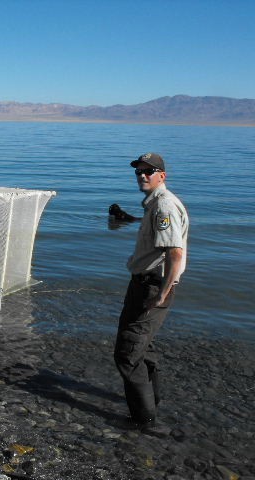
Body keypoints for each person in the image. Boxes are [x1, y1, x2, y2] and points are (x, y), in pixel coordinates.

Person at [114, 153, 189, 433]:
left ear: (162, 175)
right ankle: (151, 403)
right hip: (145, 283)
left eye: (149, 171)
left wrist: (162, 293)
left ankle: (145, 421)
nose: (142, 175)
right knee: (143, 349)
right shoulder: (154, 204)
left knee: (127, 354)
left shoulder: (164, 206)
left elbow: (175, 253)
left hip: (153, 286)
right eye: (139, 171)